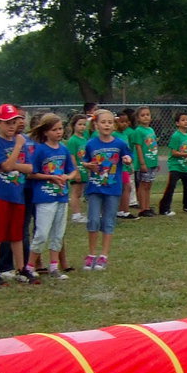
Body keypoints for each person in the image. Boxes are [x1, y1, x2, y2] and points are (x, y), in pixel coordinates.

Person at [0, 104, 32, 286]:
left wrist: (15, 162)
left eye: (14, 122)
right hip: (1, 194)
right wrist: (18, 147)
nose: (11, 126)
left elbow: (29, 167)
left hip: (17, 193)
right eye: (7, 122)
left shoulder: (21, 142)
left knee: (16, 234)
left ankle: (21, 268)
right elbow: (5, 166)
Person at [81, 109, 130, 270]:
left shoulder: (120, 143)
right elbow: (85, 161)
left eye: (110, 122)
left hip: (113, 188)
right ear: (96, 125)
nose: (107, 125)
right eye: (103, 122)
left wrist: (128, 159)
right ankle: (91, 254)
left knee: (108, 221)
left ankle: (104, 255)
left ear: (114, 125)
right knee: (93, 219)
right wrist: (88, 165)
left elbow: (129, 157)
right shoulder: (91, 144)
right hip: (95, 188)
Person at [28, 112, 75, 279]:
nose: (58, 132)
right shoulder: (40, 150)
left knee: (58, 234)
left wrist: (67, 177)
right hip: (45, 197)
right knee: (42, 233)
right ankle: (29, 266)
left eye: (61, 128)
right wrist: (50, 177)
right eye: (54, 129)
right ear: (46, 132)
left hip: (61, 196)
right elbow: (31, 173)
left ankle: (54, 267)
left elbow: (72, 170)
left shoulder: (63, 149)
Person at [158, 110, 187, 216]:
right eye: (183, 120)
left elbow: (185, 149)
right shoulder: (176, 136)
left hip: (185, 166)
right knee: (171, 187)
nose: (186, 122)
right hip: (175, 166)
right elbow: (174, 152)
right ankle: (164, 209)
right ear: (177, 123)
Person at [131, 106, 159, 218]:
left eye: (147, 114)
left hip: (152, 161)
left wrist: (155, 162)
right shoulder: (138, 131)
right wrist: (142, 163)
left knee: (149, 185)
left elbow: (153, 146)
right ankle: (142, 208)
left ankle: (147, 206)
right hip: (144, 163)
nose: (146, 117)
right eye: (142, 115)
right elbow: (138, 148)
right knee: (143, 185)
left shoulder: (151, 130)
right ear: (138, 118)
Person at [65, 112, 91, 223]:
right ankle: (76, 214)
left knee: (82, 192)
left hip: (85, 169)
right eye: (79, 124)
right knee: (76, 191)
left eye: (84, 124)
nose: (82, 127)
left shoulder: (85, 139)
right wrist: (76, 171)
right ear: (74, 125)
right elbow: (72, 156)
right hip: (77, 170)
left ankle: (81, 213)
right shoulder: (73, 140)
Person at [114, 109, 136, 218]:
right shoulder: (114, 135)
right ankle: (123, 210)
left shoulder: (125, 135)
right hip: (118, 167)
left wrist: (130, 164)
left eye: (126, 122)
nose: (125, 124)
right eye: (122, 122)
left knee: (127, 188)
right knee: (124, 188)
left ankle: (123, 210)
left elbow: (127, 151)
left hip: (125, 167)